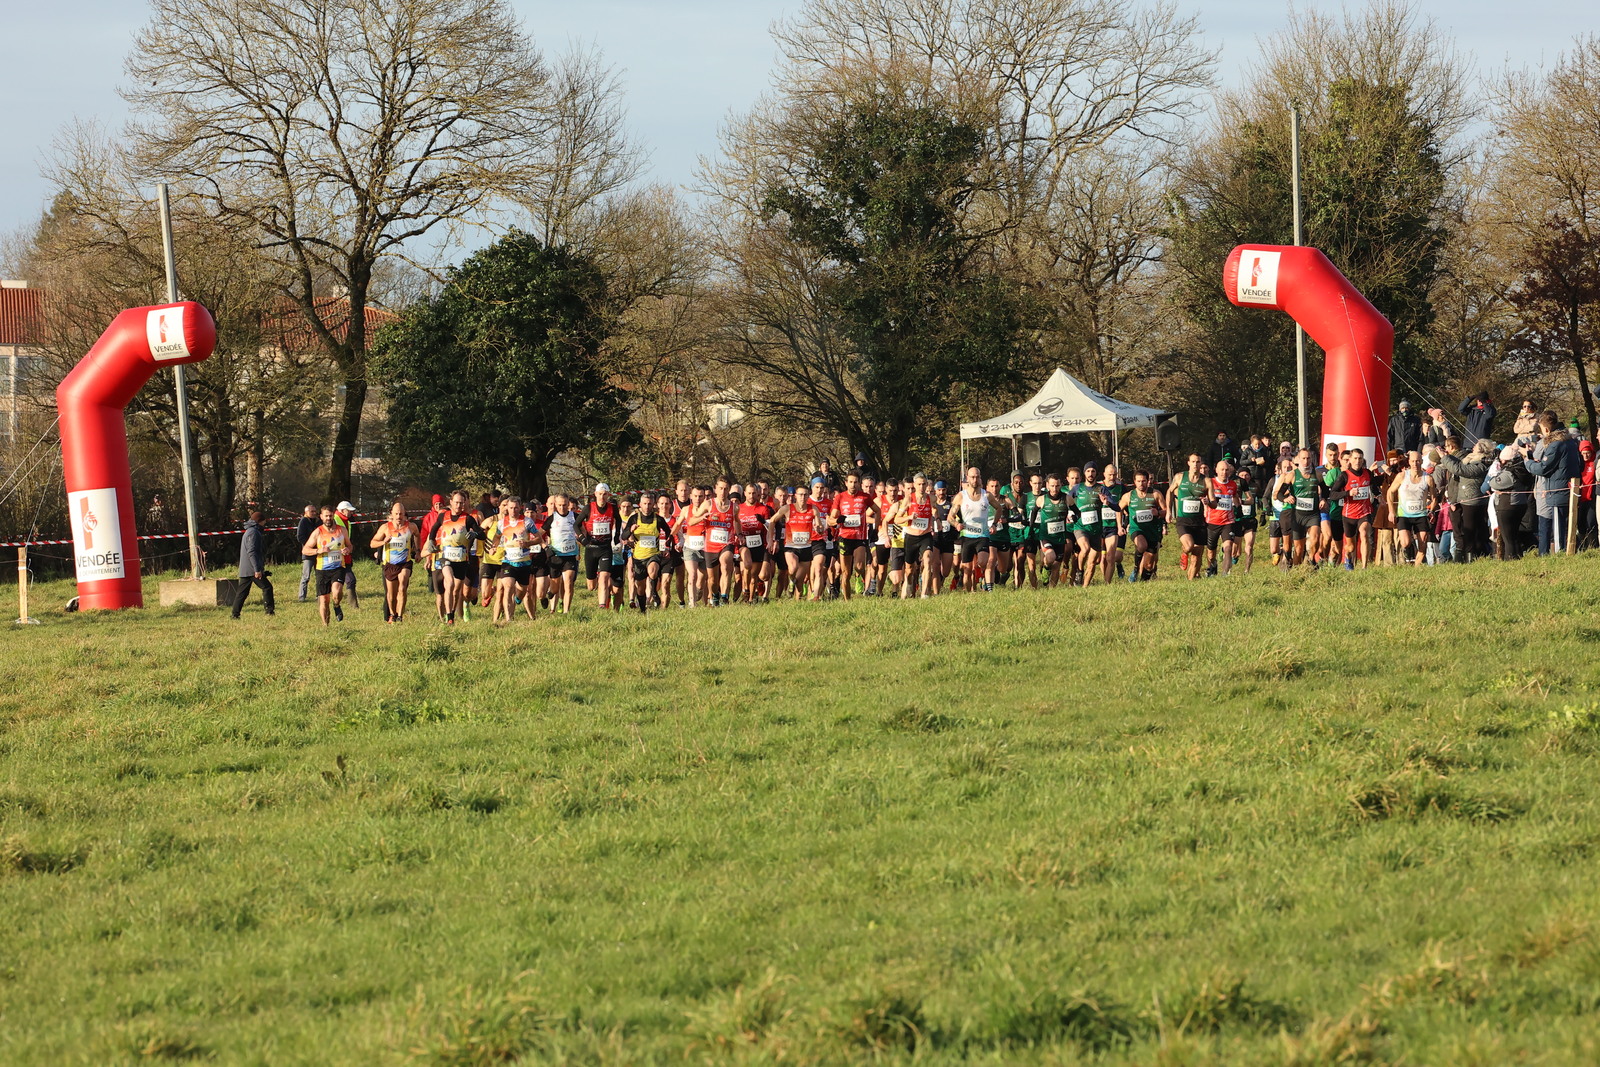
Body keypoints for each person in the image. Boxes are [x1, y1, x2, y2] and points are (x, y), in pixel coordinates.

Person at [1523, 413, 1582, 555]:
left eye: (1542, 429)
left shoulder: (1556, 444)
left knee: (1558, 528)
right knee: (1563, 525)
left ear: (1547, 430)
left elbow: (1543, 468)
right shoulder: (1570, 441)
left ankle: (1559, 555)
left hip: (1557, 491)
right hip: (1565, 488)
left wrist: (1527, 461)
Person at [1431, 437, 1494, 562]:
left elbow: (1459, 469)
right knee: (1473, 529)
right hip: (1467, 499)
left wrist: (1444, 457)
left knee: (1470, 530)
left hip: (1472, 500)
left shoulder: (1481, 464)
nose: (1473, 446)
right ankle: (1475, 555)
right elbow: (1458, 464)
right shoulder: (1471, 459)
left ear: (1481, 449)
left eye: (1476, 445)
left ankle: (1471, 556)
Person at [426, 490, 482, 623]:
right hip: (445, 557)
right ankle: (449, 616)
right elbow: (433, 530)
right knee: (449, 582)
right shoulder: (443, 516)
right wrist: (430, 542)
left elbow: (482, 534)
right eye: (456, 503)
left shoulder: (468, 519)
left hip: (461, 559)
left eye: (461, 503)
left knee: (457, 590)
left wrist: (475, 534)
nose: (458, 506)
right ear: (451, 502)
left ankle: (454, 611)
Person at [769, 483, 826, 600]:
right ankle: (791, 580)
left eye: (805, 495)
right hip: (791, 546)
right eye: (800, 495)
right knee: (793, 568)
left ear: (808, 495)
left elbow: (820, 526)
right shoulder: (787, 508)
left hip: (806, 547)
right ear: (795, 496)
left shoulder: (813, 509)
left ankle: (797, 599)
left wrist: (819, 529)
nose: (803, 497)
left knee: (800, 581)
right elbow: (772, 521)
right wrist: (770, 540)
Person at [830, 472, 880, 600]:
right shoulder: (840, 497)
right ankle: (848, 601)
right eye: (850, 482)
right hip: (844, 537)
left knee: (859, 567)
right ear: (846, 483)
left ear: (859, 483)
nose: (853, 485)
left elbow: (878, 510)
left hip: (860, 537)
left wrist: (875, 529)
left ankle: (864, 580)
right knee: (845, 573)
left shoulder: (864, 497)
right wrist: (837, 521)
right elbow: (830, 519)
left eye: (855, 482)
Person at [368, 500, 418, 623]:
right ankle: (392, 614)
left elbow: (418, 535)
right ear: (392, 514)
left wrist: (418, 550)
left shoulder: (411, 526)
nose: (399, 517)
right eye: (396, 514)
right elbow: (372, 543)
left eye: (401, 514)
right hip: (390, 564)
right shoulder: (385, 528)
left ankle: (400, 616)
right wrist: (383, 542)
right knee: (391, 594)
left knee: (402, 586)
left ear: (404, 514)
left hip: (404, 563)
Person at [1326, 449, 1376, 569]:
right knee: (1351, 547)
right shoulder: (1344, 475)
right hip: (1349, 515)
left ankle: (1364, 567)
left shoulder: (1368, 473)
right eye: (1355, 458)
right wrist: (1348, 493)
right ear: (1350, 460)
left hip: (1365, 511)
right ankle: (1348, 558)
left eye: (1360, 458)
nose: (1357, 461)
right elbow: (1332, 494)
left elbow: (1374, 486)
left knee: (1364, 534)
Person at [948, 467, 995, 592]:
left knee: (983, 561)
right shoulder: (961, 496)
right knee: (967, 570)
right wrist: (956, 525)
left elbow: (999, 508)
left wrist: (994, 523)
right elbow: (950, 517)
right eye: (972, 477)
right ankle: (968, 593)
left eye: (977, 477)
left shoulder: (987, 495)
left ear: (980, 478)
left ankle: (980, 576)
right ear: (967, 478)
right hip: (967, 536)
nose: (975, 479)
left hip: (982, 535)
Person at [576, 484, 622, 609]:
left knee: (604, 577)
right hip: (591, 548)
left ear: (608, 495)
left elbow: (618, 521)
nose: (602, 496)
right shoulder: (588, 508)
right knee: (591, 586)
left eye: (605, 494)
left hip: (605, 548)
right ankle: (596, 576)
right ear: (595, 494)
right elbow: (576, 525)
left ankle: (602, 605)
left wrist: (616, 536)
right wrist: (583, 539)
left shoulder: (612, 508)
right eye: (600, 494)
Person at [301, 504, 348, 625]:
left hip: (338, 567)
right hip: (322, 569)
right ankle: (325, 626)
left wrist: (347, 550)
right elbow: (305, 550)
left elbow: (350, 545)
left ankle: (337, 605)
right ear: (321, 517)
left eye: (330, 516)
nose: (328, 518)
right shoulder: (317, 532)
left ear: (333, 516)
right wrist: (318, 551)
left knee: (336, 592)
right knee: (324, 600)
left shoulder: (341, 530)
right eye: (326, 516)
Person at [1387, 451, 1435, 567]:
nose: (1415, 464)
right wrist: (1391, 511)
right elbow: (1390, 492)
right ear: (1409, 462)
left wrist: (1431, 511)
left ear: (1422, 462)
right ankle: (1410, 549)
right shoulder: (1402, 476)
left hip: (1421, 514)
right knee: (1405, 542)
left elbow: (1434, 498)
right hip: (1404, 514)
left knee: (1423, 543)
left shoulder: (1428, 478)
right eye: (1413, 461)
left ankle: (1416, 570)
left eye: (1418, 461)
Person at [1167, 453, 1207, 579]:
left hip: (1199, 521)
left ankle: (1190, 581)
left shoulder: (1206, 480)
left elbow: (1213, 501)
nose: (1195, 464)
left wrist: (1208, 502)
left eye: (1198, 462)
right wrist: (1168, 511)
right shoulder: (1180, 477)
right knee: (1189, 546)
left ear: (1201, 464)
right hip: (1183, 520)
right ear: (1188, 463)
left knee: (1197, 556)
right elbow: (1169, 491)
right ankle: (1184, 553)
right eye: (1193, 461)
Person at [230, 511, 275, 618]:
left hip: (246, 569)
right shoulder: (253, 533)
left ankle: (235, 614)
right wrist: (257, 569)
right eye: (264, 521)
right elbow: (252, 552)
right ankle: (269, 611)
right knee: (267, 587)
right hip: (251, 569)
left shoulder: (250, 531)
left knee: (242, 593)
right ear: (260, 521)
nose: (265, 523)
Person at [333, 501, 361, 610]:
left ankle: (352, 604)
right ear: (342, 511)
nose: (351, 513)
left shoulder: (347, 522)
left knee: (349, 580)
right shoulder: (335, 520)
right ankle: (353, 605)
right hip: (336, 557)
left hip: (346, 556)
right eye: (349, 510)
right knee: (349, 580)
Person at [294, 504, 317, 601]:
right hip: (308, 553)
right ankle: (302, 596)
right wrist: (309, 545)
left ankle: (319, 595)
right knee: (306, 576)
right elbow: (300, 537)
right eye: (312, 511)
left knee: (319, 575)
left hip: (319, 552)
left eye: (315, 511)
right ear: (306, 512)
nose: (314, 513)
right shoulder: (303, 521)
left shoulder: (317, 521)